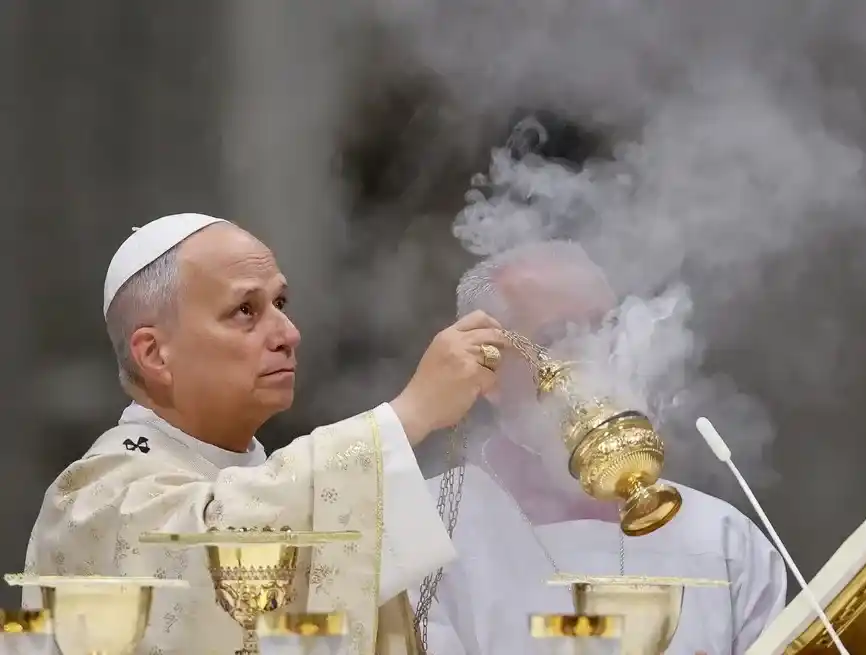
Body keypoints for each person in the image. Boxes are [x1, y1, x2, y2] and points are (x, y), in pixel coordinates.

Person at [23, 213, 509, 655]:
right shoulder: (95, 500)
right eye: (245, 311)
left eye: (280, 302)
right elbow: (210, 545)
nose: (288, 332)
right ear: (155, 354)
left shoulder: (272, 483)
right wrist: (410, 413)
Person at [410, 240, 787, 655]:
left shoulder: (723, 541)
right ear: (488, 375)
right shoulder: (426, 534)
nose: (594, 355)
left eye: (604, 327)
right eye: (558, 337)